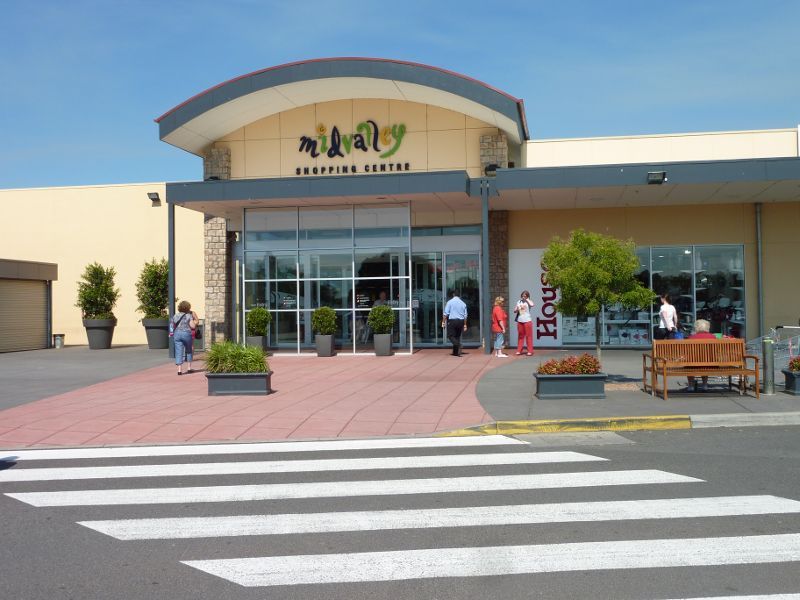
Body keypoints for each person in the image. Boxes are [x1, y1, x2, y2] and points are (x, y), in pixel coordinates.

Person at [687, 318, 716, 391]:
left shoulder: (691, 338)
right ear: (707, 327)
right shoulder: (713, 337)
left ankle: (691, 386)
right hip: (709, 363)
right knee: (705, 363)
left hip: (693, 364)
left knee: (689, 364)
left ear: (696, 327)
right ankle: (704, 385)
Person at [172, 300, 199, 375]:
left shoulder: (175, 315)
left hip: (177, 334)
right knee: (189, 350)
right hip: (186, 334)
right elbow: (192, 326)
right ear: (188, 308)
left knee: (178, 351)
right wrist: (194, 323)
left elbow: (172, 325)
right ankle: (189, 368)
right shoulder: (188, 315)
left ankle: (179, 370)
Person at [442, 290, 468, 357]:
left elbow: (446, 314)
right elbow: (465, 316)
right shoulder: (463, 303)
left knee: (450, 336)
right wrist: (465, 325)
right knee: (457, 336)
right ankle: (455, 352)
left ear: (453, 295)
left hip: (452, 321)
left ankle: (458, 344)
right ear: (459, 295)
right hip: (461, 321)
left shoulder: (449, 302)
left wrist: (443, 322)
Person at [513, 290, 535, 356]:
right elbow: (514, 310)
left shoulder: (529, 301)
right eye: (522, 296)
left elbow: (532, 305)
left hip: (527, 321)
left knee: (529, 336)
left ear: (527, 296)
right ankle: (519, 350)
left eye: (525, 296)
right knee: (520, 336)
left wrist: (527, 300)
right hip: (520, 320)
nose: (523, 297)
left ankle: (530, 351)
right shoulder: (519, 302)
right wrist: (517, 309)